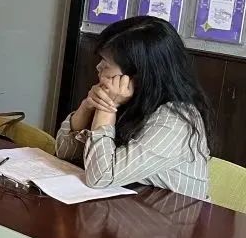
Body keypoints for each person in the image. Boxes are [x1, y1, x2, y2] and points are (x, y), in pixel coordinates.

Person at [56, 16, 213, 200]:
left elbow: (100, 176)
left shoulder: (175, 121)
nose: (98, 67)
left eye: (106, 64)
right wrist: (87, 107)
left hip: (169, 215)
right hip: (130, 207)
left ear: (137, 75)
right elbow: (64, 152)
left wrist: (107, 107)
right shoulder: (133, 98)